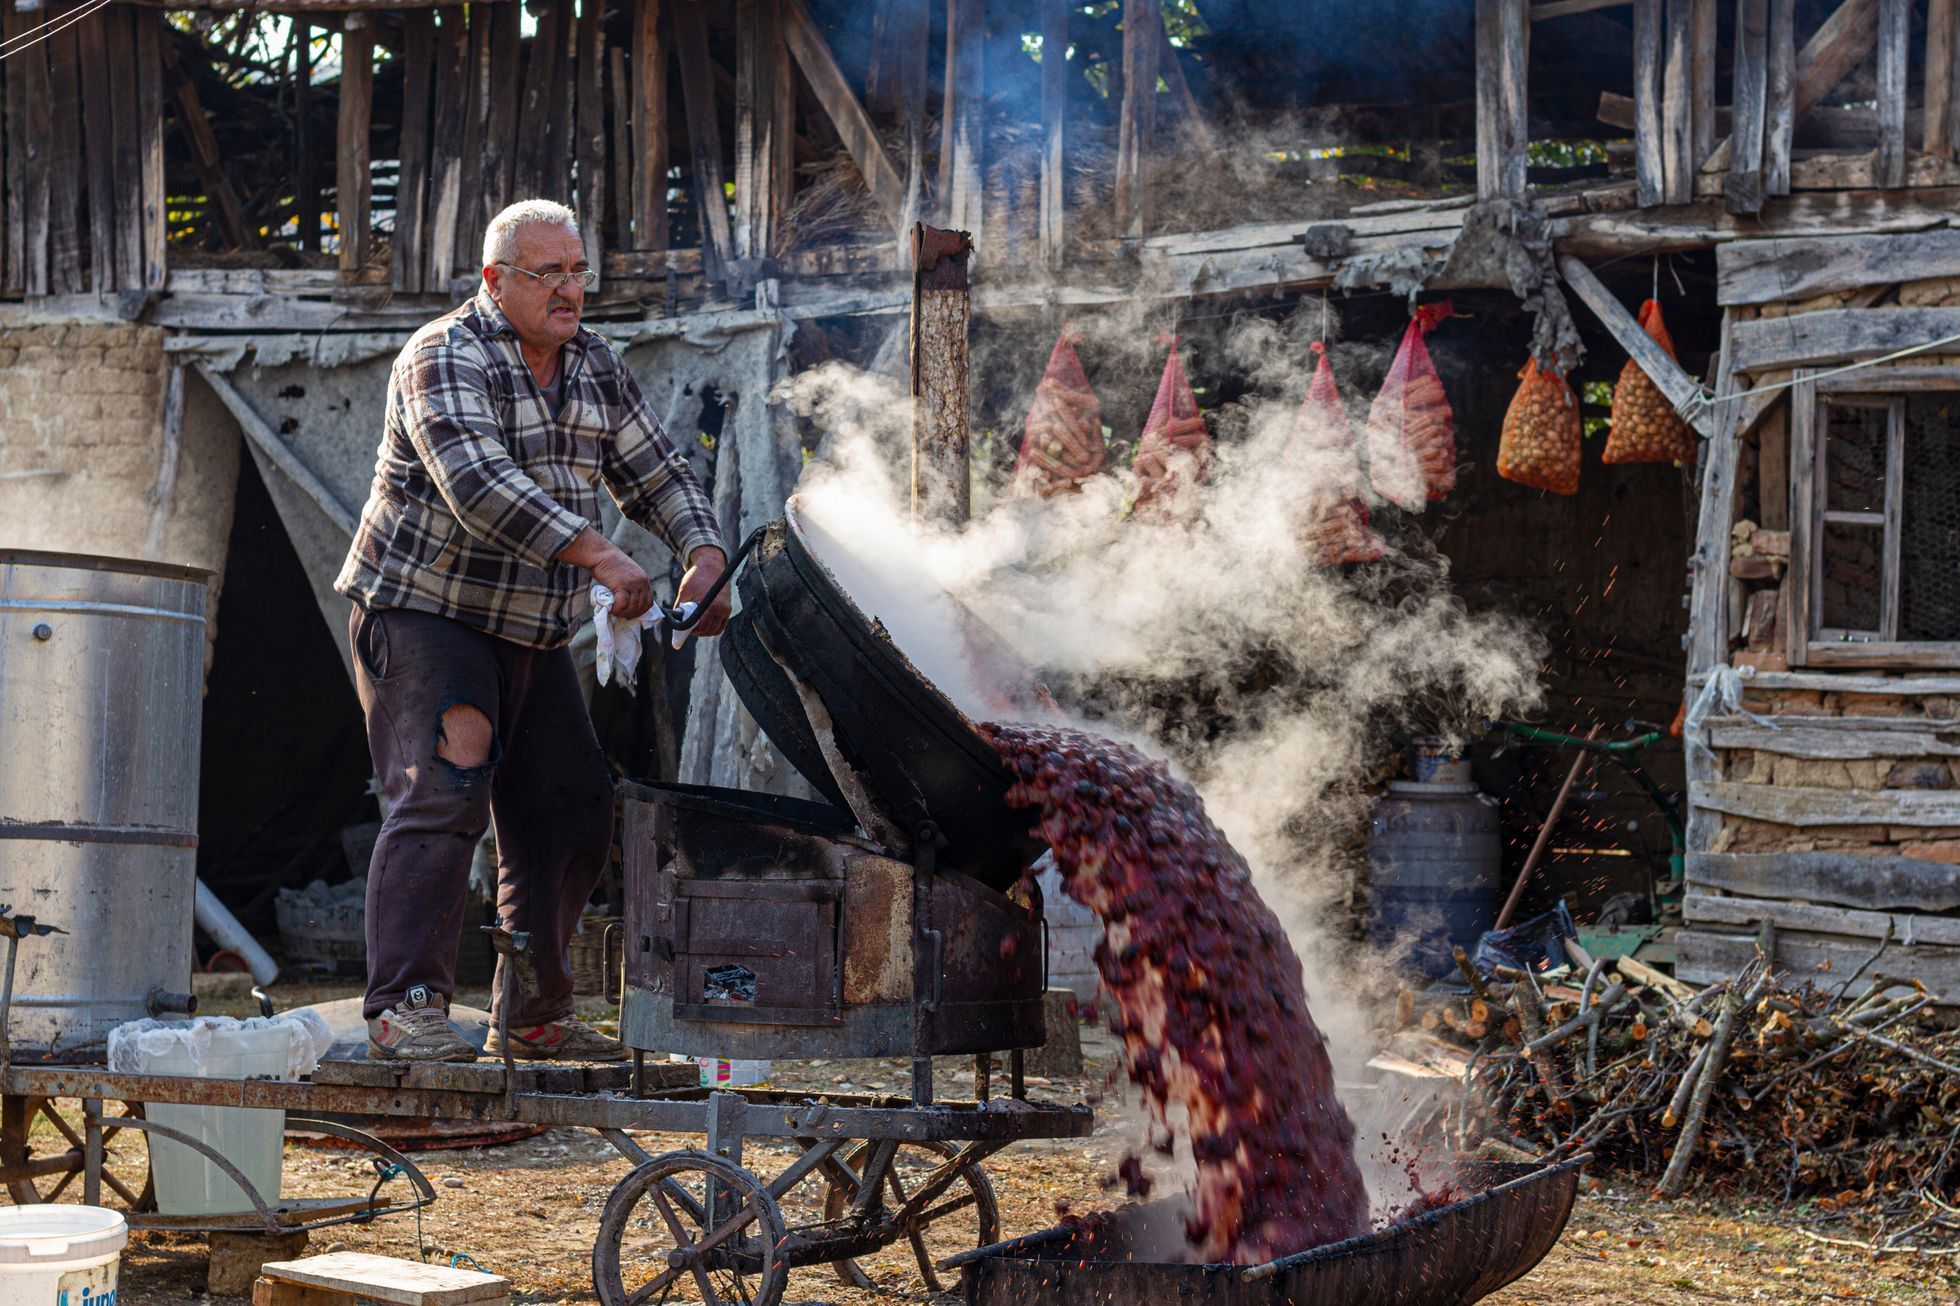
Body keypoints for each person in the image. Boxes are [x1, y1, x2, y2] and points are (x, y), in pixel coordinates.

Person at [333, 199, 730, 1062]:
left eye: (578, 270)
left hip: (528, 628)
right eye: (547, 272)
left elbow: (657, 467)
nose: (569, 289)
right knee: (449, 776)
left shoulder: (593, 363)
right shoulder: (443, 354)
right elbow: (475, 484)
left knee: (573, 801)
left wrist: (700, 548)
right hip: (423, 607)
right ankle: (405, 1011)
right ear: (495, 280)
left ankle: (537, 1017)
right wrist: (599, 555)